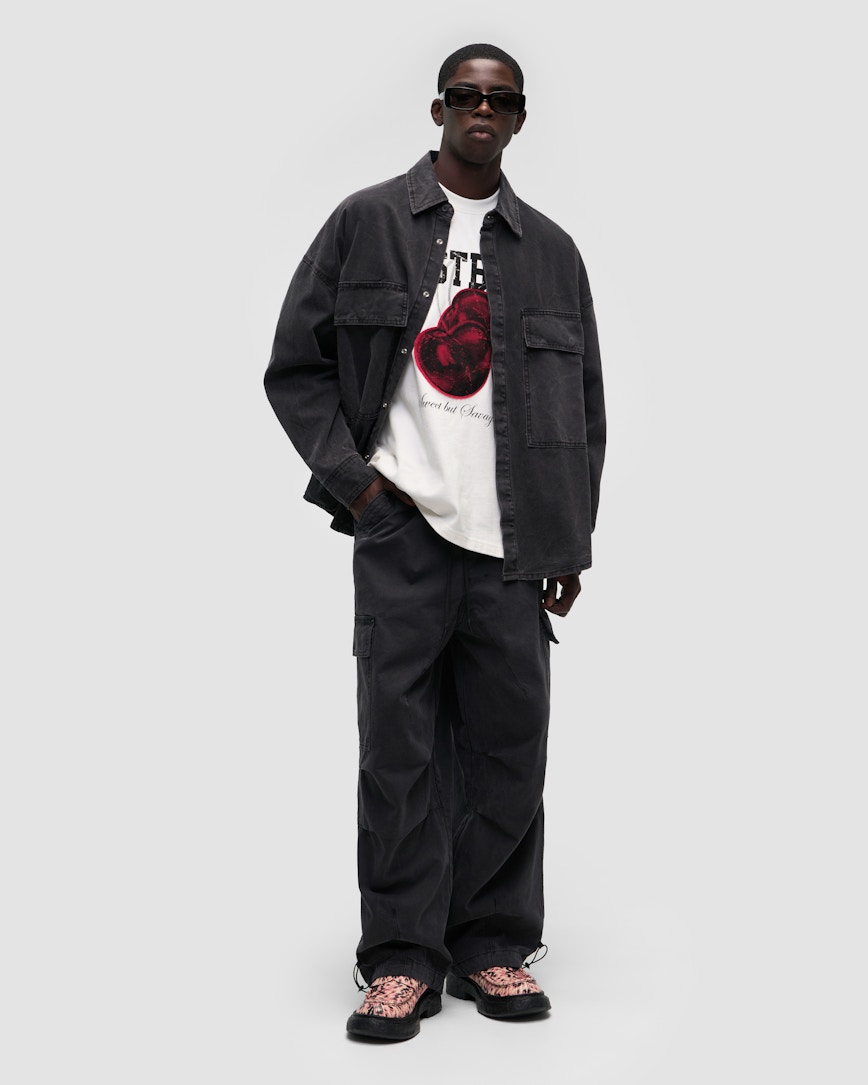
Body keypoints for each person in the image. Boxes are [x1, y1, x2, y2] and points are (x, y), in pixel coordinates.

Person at [264, 42, 605, 1041]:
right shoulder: (367, 221)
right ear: (438, 108)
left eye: (500, 98)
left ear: (520, 117)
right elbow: (295, 367)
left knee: (509, 749)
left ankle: (490, 942)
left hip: (511, 547)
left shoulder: (551, 252)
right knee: (399, 752)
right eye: (465, 94)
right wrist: (361, 489)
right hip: (402, 534)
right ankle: (401, 958)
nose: (481, 109)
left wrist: (567, 537)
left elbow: (581, 410)